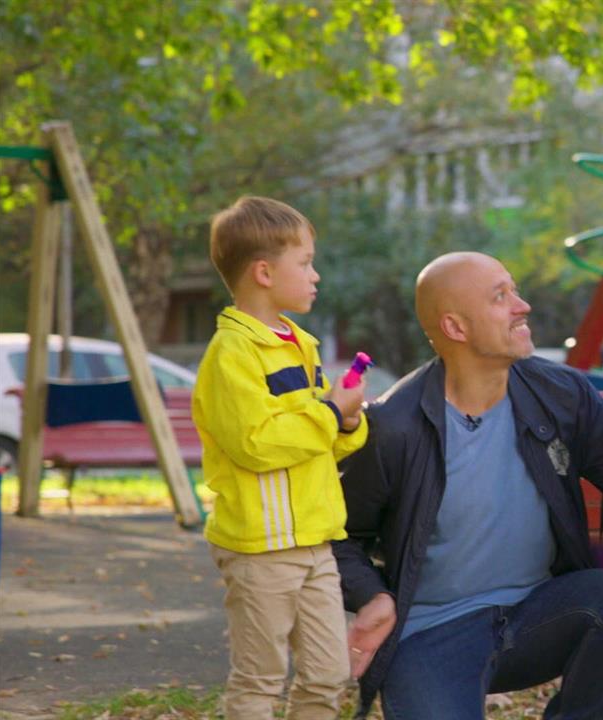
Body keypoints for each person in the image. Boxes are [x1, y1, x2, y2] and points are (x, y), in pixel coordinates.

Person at [333, 252, 603, 720]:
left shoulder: (561, 394)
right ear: (456, 327)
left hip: (538, 616)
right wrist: (374, 597)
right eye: (500, 297)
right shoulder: (394, 427)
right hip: (431, 633)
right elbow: (339, 534)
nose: (522, 306)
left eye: (515, 290)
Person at [193, 196, 369, 718]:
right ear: (264, 273)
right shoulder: (232, 353)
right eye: (306, 263)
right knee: (260, 680)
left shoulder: (302, 345)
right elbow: (256, 444)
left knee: (329, 675)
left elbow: (317, 440)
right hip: (260, 549)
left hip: (315, 540)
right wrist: (330, 413)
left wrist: (348, 423)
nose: (316, 275)